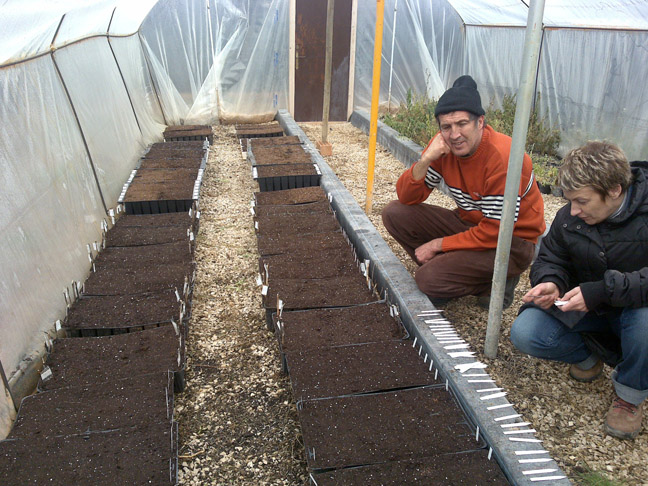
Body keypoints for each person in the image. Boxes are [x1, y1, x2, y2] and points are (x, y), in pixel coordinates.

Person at [510, 141, 648, 439]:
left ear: (614, 190)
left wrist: (600, 292)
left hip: (635, 316)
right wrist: (552, 282)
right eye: (569, 200)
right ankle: (587, 356)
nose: (573, 210)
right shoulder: (569, 218)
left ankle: (629, 396)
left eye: (582, 201)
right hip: (592, 312)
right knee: (526, 332)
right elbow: (550, 257)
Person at [382, 75, 546, 308]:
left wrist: (438, 244)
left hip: (511, 241)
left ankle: (494, 282)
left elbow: (494, 231)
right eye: (446, 127)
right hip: (472, 224)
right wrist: (426, 158)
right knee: (394, 213)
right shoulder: (443, 147)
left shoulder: (502, 157)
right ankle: (453, 269)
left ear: (480, 122)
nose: (455, 134)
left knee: (427, 279)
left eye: (462, 124)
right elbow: (407, 197)